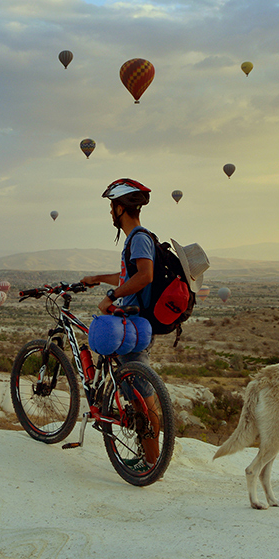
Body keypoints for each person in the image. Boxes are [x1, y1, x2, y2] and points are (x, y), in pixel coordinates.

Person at [80, 178, 163, 468]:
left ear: (120, 208)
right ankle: (148, 455)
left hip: (133, 324)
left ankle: (151, 461)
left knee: (143, 394)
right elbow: (130, 275)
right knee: (137, 392)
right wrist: (100, 279)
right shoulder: (138, 239)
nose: (110, 213)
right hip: (133, 322)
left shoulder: (138, 237)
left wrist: (110, 296)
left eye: (111, 207)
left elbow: (145, 276)